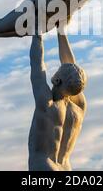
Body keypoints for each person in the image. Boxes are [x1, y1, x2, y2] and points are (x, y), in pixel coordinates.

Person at [28, 33, 86, 171]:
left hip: (44, 165)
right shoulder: (79, 108)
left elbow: (37, 64)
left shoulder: (47, 104)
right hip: (65, 167)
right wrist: (62, 32)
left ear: (56, 80)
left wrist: (37, 32)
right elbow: (71, 66)